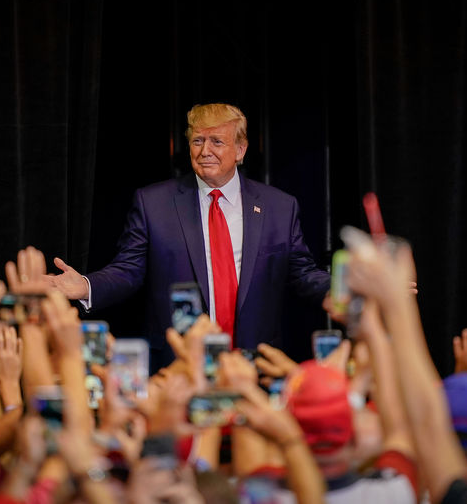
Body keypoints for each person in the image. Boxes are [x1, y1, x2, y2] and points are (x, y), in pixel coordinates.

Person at [46, 103, 330, 365]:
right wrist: (85, 286)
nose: (205, 151)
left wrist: (342, 291)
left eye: (217, 141)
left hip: (253, 365)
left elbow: (302, 273)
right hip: (179, 366)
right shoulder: (154, 204)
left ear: (240, 150)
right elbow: (128, 270)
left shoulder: (279, 207)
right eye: (198, 141)